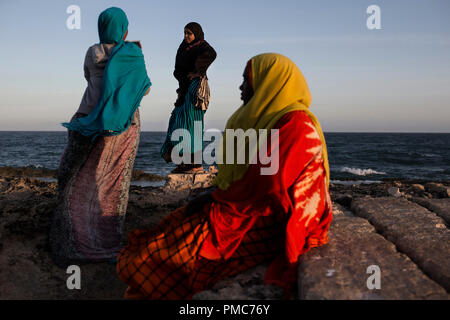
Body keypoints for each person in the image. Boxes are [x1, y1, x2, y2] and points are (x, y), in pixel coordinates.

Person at [116, 53, 332, 299]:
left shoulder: (296, 125)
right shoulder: (263, 120)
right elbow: (251, 179)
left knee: (172, 249)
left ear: (269, 83)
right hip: (249, 207)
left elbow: (271, 187)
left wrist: (219, 199)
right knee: (173, 226)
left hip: (270, 220)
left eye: (247, 80)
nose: (241, 87)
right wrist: (217, 195)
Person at [49, 7, 151, 266]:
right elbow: (144, 89)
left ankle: (71, 241)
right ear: (124, 29)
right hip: (123, 124)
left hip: (87, 116)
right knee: (112, 184)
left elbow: (88, 77)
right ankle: (105, 241)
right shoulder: (132, 53)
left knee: (72, 175)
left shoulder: (92, 51)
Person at [160, 22, 216, 173]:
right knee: (178, 122)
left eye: (189, 33)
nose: (186, 36)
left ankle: (196, 164)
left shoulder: (202, 45)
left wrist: (198, 71)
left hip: (195, 89)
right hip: (184, 90)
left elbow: (212, 54)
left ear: (196, 34)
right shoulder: (183, 47)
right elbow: (178, 68)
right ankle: (184, 162)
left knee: (193, 124)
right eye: (184, 33)